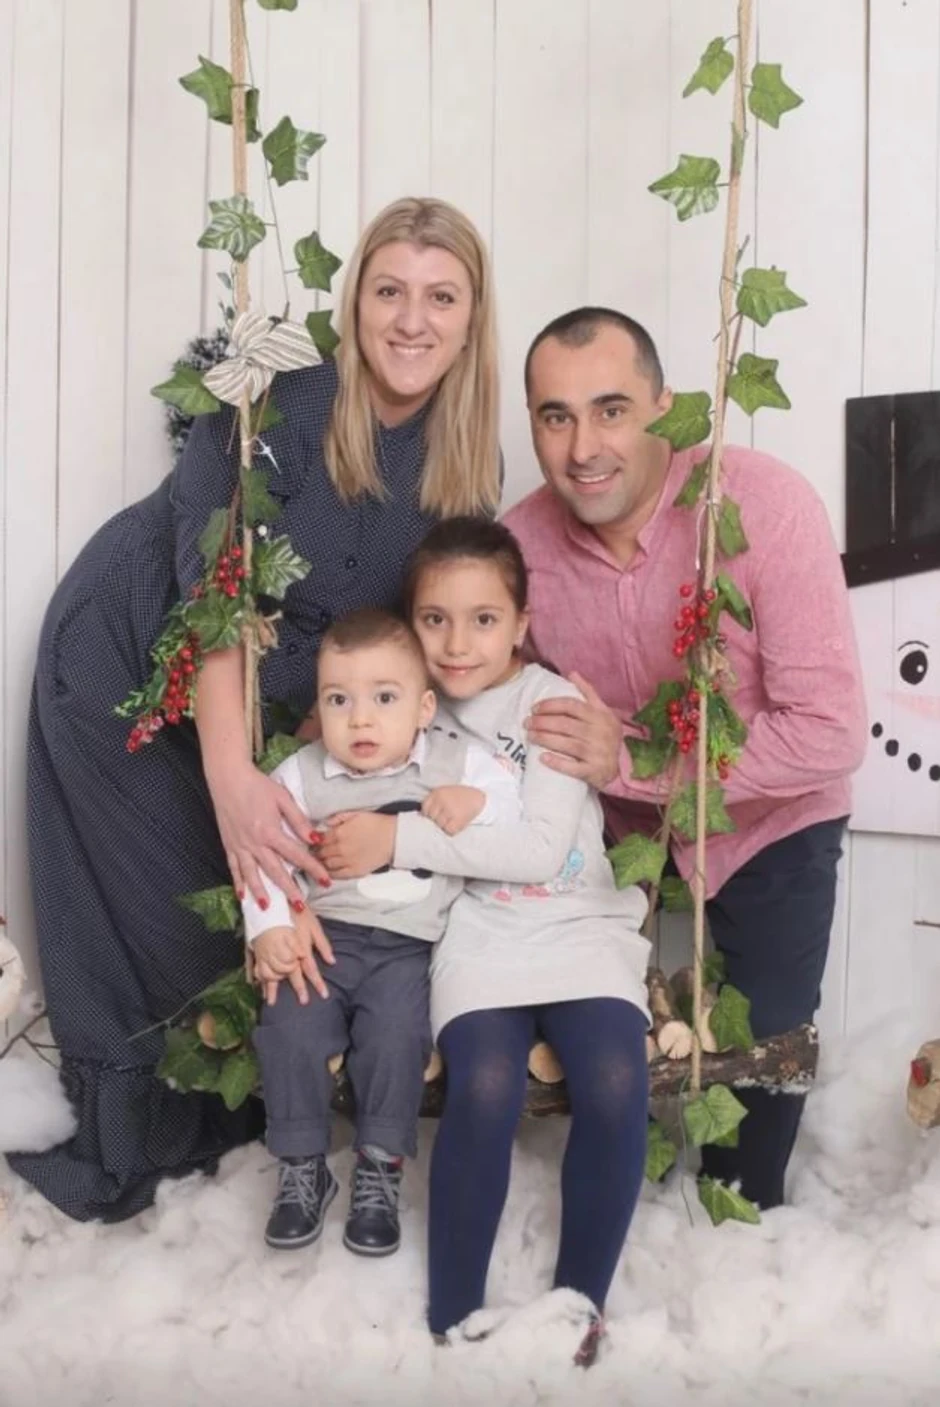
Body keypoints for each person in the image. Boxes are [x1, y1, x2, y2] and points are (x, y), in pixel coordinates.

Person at [13, 197, 501, 1223]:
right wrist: (233, 777)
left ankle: (220, 1121)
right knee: (173, 891)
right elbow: (218, 608)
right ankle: (133, 1133)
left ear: (472, 319)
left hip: (262, 695)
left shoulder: (467, 461)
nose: (412, 321)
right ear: (355, 301)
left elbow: (418, 635)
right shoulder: (271, 400)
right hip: (134, 650)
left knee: (250, 899)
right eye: (389, 291)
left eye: (441, 297)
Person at [501, 306, 867, 1210]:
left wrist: (633, 763)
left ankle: (741, 1212)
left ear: (668, 407)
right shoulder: (518, 547)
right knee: (576, 1034)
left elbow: (830, 730)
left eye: (612, 409)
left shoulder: (762, 506)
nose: (583, 447)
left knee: (759, 1060)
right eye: (555, 417)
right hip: (607, 827)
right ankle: (606, 1209)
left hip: (766, 818)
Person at [318, 519, 651, 1353]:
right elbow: (328, 780)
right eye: (434, 619)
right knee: (487, 1083)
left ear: (522, 623)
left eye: (484, 619)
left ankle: (579, 1303)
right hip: (476, 930)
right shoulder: (404, 706)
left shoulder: (549, 703)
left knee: (616, 1081)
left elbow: (538, 848)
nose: (458, 643)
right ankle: (455, 1313)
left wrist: (400, 838)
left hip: (577, 921)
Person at [245, 606, 516, 1256]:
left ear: (424, 708)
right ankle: (302, 1166)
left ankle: (379, 1168)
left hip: (409, 947)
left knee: (396, 1036)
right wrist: (271, 926)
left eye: (384, 698)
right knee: (288, 1023)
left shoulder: (454, 761)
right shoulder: (302, 775)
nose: (360, 719)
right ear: (318, 706)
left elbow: (515, 807)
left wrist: (479, 801)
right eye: (338, 699)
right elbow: (264, 855)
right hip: (325, 938)